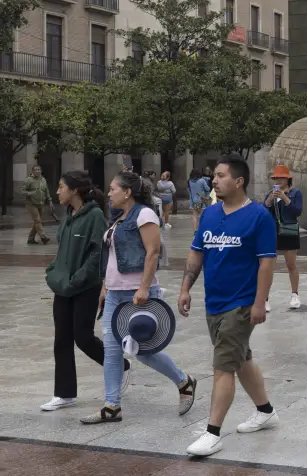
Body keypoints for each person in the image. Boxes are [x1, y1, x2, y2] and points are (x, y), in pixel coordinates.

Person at [178, 155, 278, 457]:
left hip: (241, 303)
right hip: (214, 302)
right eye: (214, 176)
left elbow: (266, 264)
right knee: (241, 358)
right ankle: (266, 411)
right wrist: (185, 288)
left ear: (239, 181)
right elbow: (196, 254)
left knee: (223, 367)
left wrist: (259, 303)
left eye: (221, 175)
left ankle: (212, 433)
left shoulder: (259, 217)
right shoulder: (209, 215)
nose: (214, 180)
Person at [81, 172, 196, 425]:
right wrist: (105, 288)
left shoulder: (144, 214)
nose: (109, 193)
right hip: (114, 294)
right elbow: (110, 258)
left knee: (144, 352)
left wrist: (144, 287)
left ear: (127, 192)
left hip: (137, 294)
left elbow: (153, 252)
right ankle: (112, 406)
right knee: (112, 351)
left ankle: (184, 381)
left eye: (112, 189)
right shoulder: (118, 219)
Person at [42, 171, 131, 411]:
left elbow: (97, 255)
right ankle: (64, 393)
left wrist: (78, 279)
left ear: (74, 190)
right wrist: (54, 271)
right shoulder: (68, 216)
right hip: (63, 286)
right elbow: (61, 251)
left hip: (85, 287)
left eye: (61, 187)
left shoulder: (94, 217)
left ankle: (120, 366)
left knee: (82, 337)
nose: (58, 191)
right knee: (61, 339)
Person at [264, 164, 303, 311]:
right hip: (272, 232)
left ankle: (295, 294)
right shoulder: (271, 193)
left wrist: (285, 198)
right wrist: (269, 200)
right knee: (269, 266)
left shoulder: (295, 193)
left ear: (288, 179)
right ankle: (265, 299)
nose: (278, 180)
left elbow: (297, 211)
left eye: (281, 178)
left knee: (291, 264)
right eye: (276, 178)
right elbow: (263, 211)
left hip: (289, 230)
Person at [23, 165, 54, 245]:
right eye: (35, 170)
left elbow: (46, 191)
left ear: (41, 171)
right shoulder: (29, 180)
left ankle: (30, 239)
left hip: (40, 203)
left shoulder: (43, 180)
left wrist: (50, 201)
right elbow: (22, 191)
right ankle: (43, 237)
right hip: (31, 203)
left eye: (39, 169)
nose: (37, 171)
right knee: (37, 220)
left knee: (37, 222)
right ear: (32, 171)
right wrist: (30, 193)